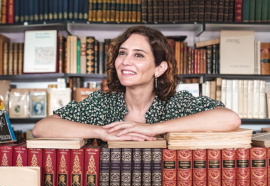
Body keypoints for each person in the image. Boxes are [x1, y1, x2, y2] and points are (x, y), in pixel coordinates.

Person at [32, 26, 241, 141]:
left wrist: (152, 129)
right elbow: (42, 128)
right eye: (122, 53)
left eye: (138, 55)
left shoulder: (176, 104)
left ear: (159, 68)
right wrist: (102, 133)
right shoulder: (101, 104)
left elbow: (229, 119)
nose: (125, 61)